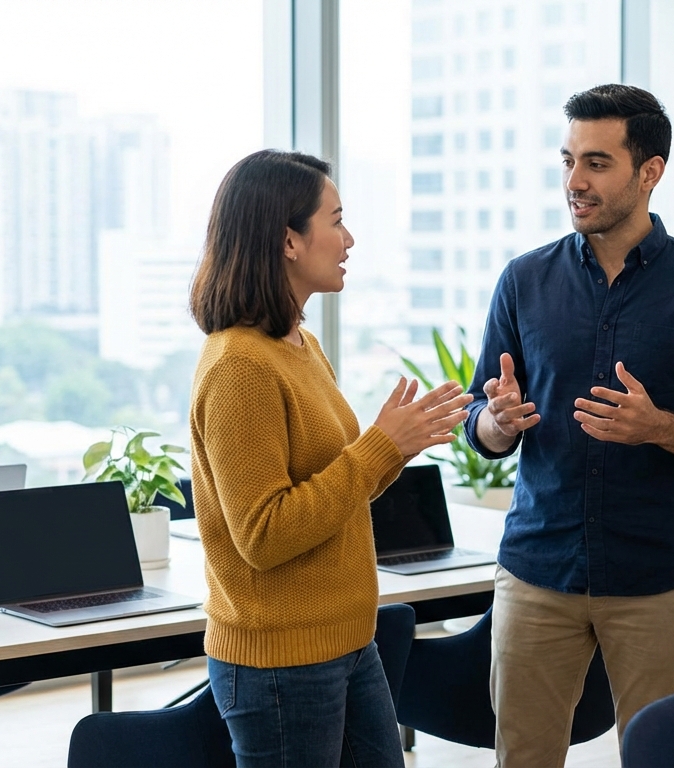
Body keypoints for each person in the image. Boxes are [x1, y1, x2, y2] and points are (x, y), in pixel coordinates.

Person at [465, 84, 674, 768]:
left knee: (665, 758)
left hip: (655, 578)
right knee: (522, 758)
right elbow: (479, 424)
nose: (575, 181)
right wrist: (497, 425)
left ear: (649, 171)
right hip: (538, 572)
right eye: (568, 160)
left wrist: (660, 427)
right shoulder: (522, 281)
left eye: (597, 163)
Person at [188, 149, 472, 767]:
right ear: (289, 240)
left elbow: (333, 489)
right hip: (281, 662)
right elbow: (264, 534)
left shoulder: (300, 344)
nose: (350, 238)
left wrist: (398, 444)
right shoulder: (240, 366)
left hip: (346, 640)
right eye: (336, 220)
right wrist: (376, 449)